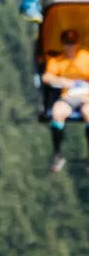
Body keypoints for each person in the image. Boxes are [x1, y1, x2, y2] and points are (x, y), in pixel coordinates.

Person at [42, 26, 89, 174]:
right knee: (57, 112)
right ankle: (57, 154)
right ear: (63, 44)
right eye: (67, 43)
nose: (70, 46)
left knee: (88, 112)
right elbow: (46, 77)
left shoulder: (86, 57)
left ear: (77, 43)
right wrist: (62, 81)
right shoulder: (58, 60)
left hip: (86, 95)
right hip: (68, 95)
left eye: (73, 43)